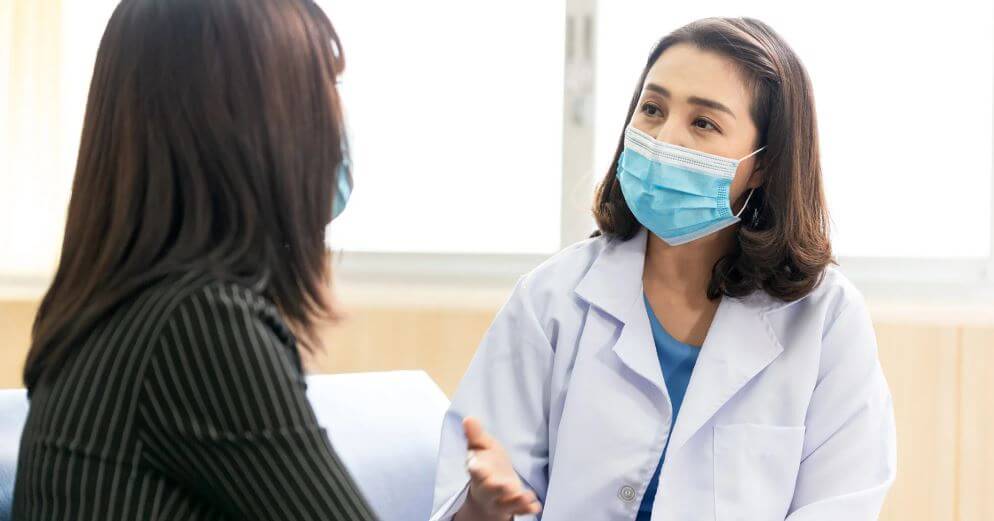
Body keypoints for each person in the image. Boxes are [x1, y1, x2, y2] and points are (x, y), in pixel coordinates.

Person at [431, 17, 896, 521]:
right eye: (652, 109)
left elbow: (841, 501)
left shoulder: (825, 318)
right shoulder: (551, 298)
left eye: (703, 123)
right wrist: (482, 505)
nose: (663, 137)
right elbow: (475, 492)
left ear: (763, 165)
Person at [13, 0, 377, 519]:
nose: (336, 120)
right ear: (253, 128)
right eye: (321, 88)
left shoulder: (123, 313)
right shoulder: (198, 327)